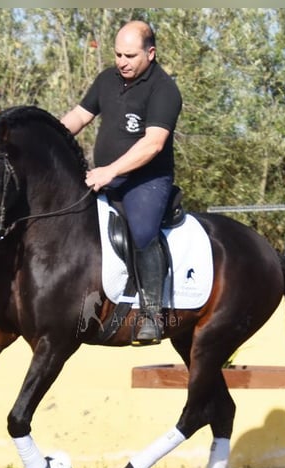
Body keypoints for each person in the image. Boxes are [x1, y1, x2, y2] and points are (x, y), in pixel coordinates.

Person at [61, 20, 182, 346]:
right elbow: (78, 117)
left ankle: (152, 316)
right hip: (107, 175)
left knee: (142, 230)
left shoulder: (164, 89)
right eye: (117, 55)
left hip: (147, 180)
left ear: (150, 53)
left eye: (130, 55)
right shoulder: (107, 80)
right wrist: (46, 136)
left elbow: (153, 144)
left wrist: (109, 171)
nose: (122, 62)